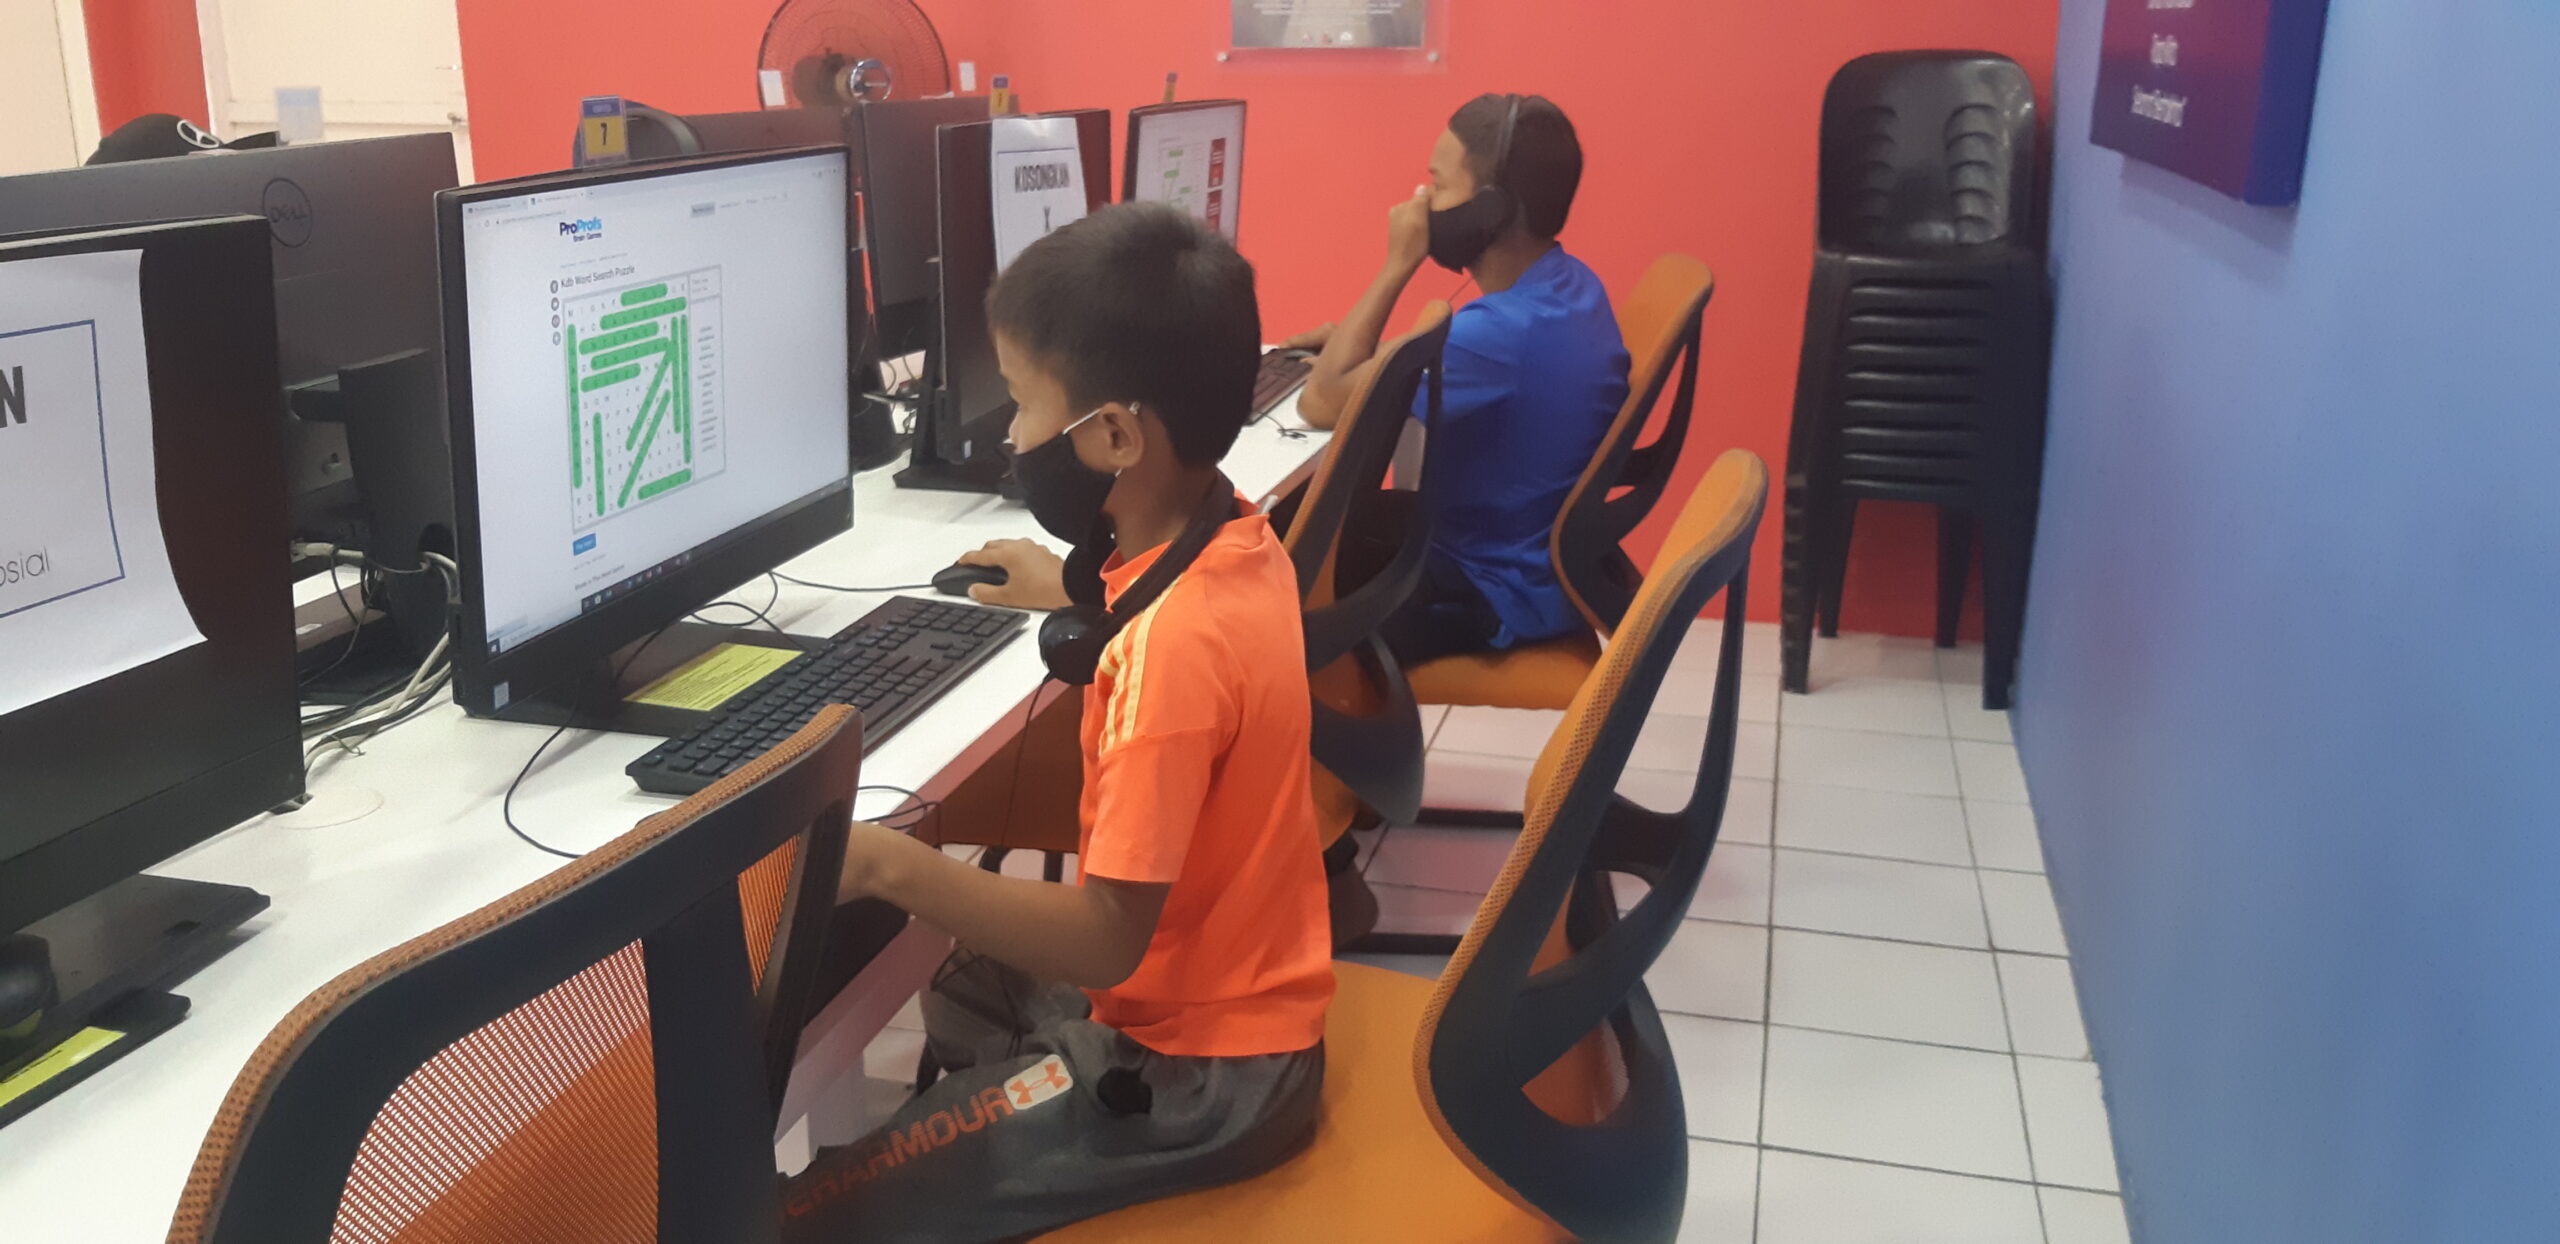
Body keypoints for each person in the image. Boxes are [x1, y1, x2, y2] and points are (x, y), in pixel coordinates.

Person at [785, 204, 1331, 1242]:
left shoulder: (1167, 656)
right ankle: (1006, 1162)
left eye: (1025, 405)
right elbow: (1173, 612)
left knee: (814, 1210)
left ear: (1116, 436)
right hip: (1241, 1003)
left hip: (1199, 1074)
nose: (1009, 436)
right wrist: (1080, 587)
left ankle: (1018, 1149)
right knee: (968, 986)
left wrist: (887, 865)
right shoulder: (1236, 537)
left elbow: (1108, 939)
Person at [1288, 93, 1631, 666]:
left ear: (1489, 210)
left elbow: (1320, 402)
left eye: (1438, 185)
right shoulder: (1568, 287)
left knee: (1270, 601)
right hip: (1517, 561)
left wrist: (1397, 262)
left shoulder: (1501, 335)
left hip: (1488, 592)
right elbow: (1439, 358)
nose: (1421, 202)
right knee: (1293, 535)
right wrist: (1359, 349)